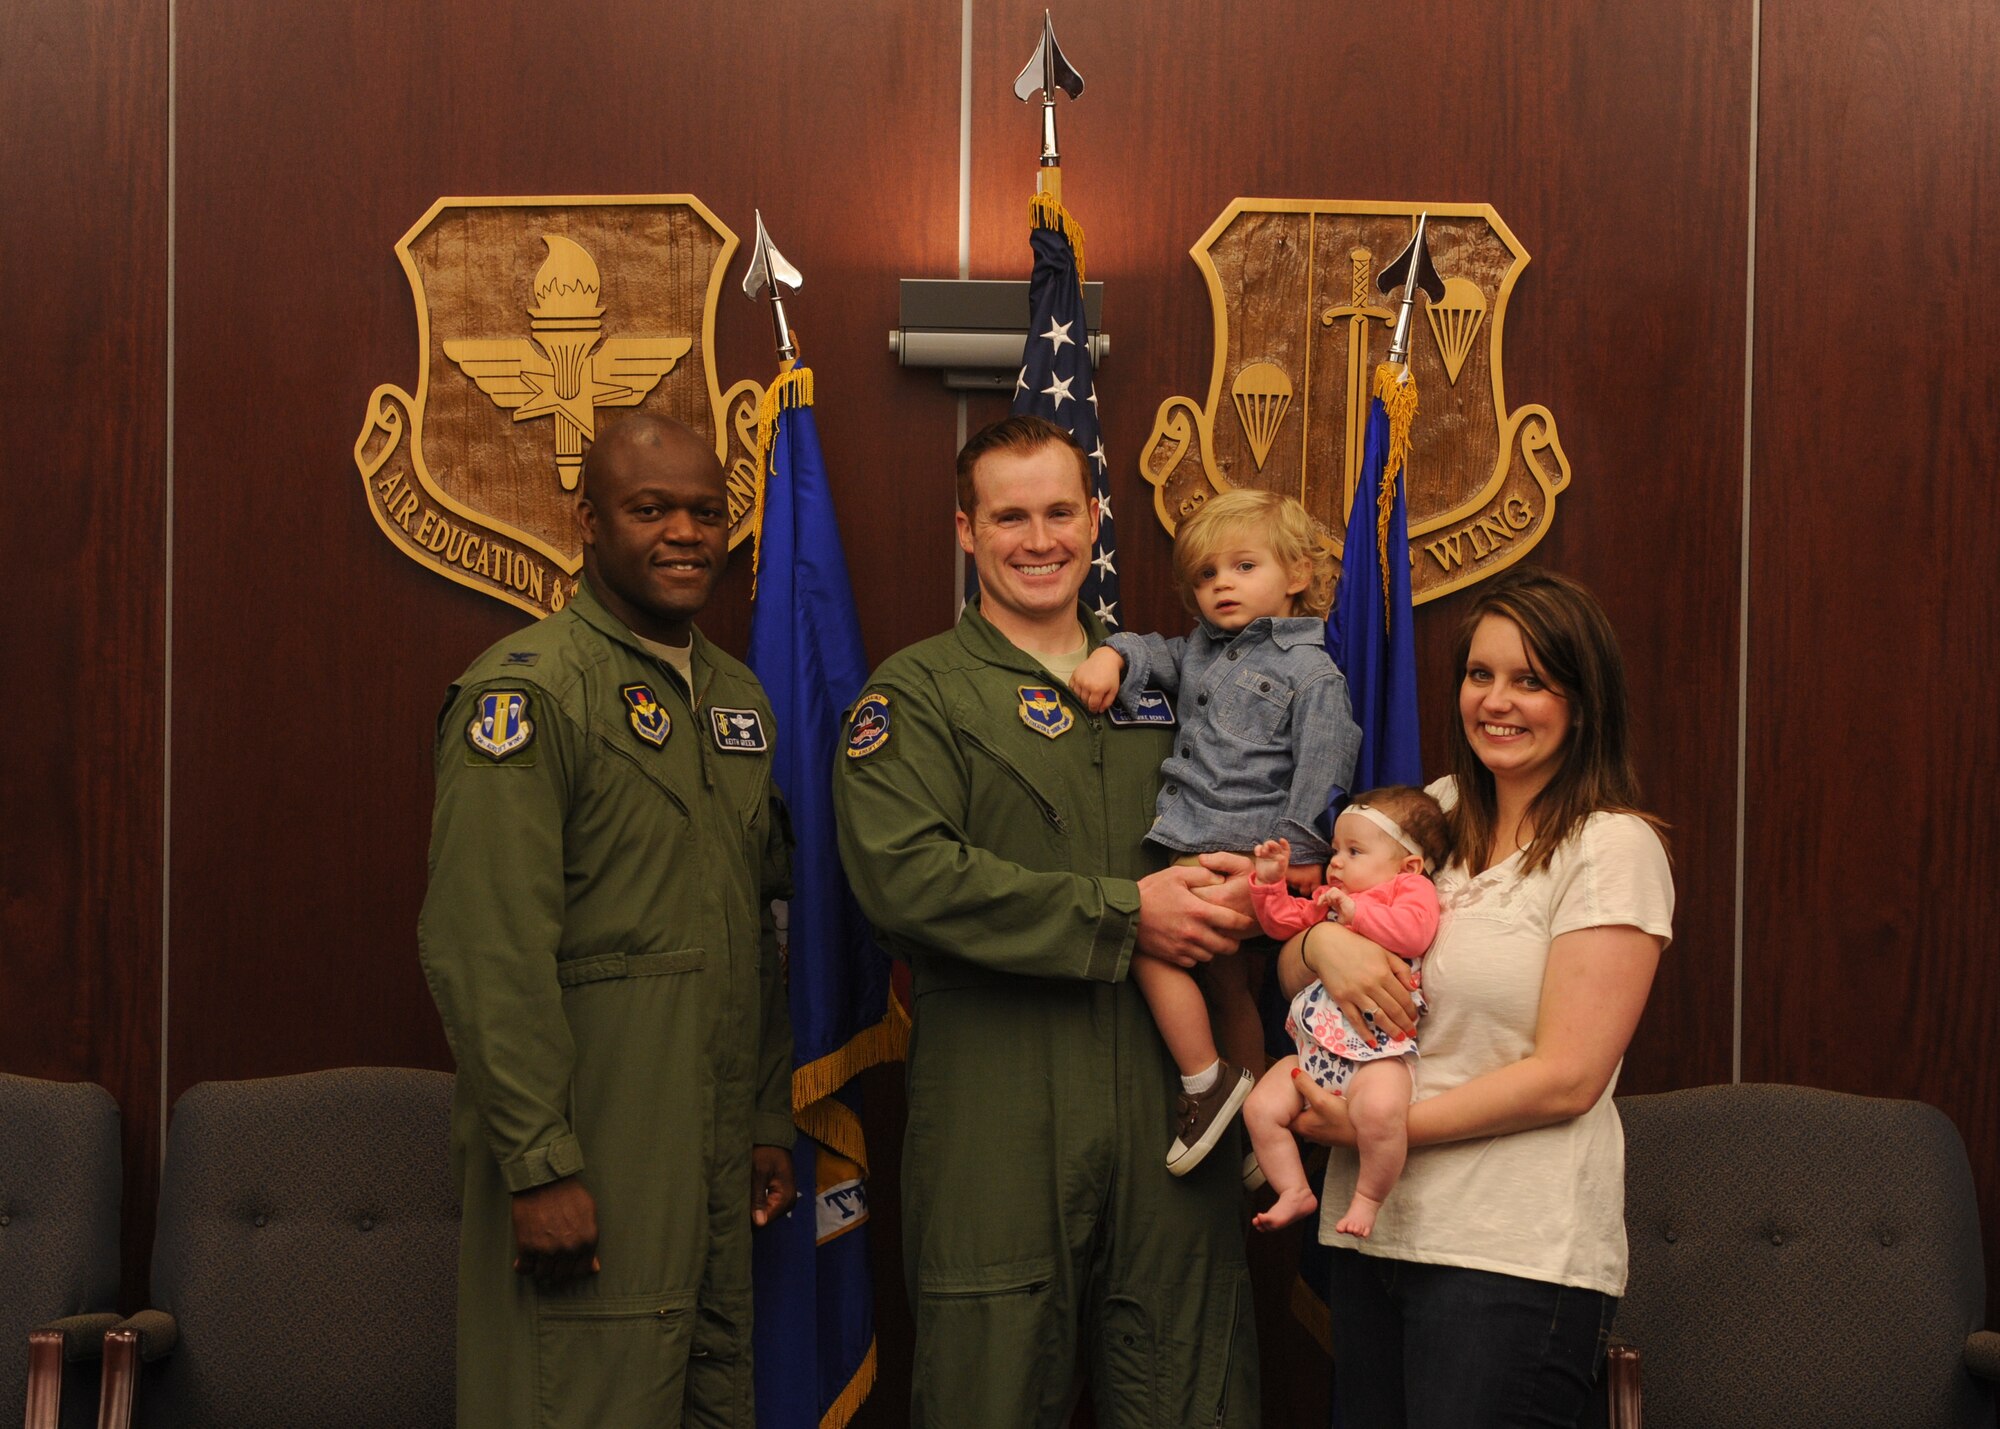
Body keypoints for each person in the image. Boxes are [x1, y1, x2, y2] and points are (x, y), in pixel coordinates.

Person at [832, 415, 1262, 1428]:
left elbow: (1260, 812)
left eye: (1060, 511)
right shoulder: (917, 692)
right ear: (965, 530)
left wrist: (1261, 887)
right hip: (998, 1114)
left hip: (1176, 1113)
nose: (1038, 538)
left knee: (1189, 1389)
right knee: (987, 1388)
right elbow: (902, 878)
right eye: (1009, 515)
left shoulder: (1174, 683)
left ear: (1095, 519)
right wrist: (1126, 914)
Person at [418, 413, 798, 1429]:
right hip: (596, 1160)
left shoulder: (736, 699)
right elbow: (483, 951)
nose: (685, 532)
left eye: (706, 511)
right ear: (587, 520)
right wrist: (539, 1164)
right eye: (651, 509)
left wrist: (764, 1119)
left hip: (712, 1168)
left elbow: (760, 939)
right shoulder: (529, 695)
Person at [1277, 567, 1673, 1428]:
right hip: (1374, 1234)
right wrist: (1321, 941)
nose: (1497, 701)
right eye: (1480, 674)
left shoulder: (1613, 847)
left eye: (1531, 679)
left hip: (1512, 1257)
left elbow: (1567, 1076)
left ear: (1582, 698)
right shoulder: (1432, 814)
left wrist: (1380, 1127)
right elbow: (1297, 975)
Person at [1067, 488, 1361, 1177]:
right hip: (1193, 844)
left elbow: (1323, 766)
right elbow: (1155, 653)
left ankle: (1207, 1081)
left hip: (1242, 857)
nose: (1221, 583)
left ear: (1296, 575)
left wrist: (1292, 864)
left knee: (1142, 934)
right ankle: (1266, 1131)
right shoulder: (1203, 648)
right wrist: (1112, 658)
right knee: (1229, 989)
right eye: (1205, 575)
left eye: (1243, 565)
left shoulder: (1311, 671)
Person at [1238, 786, 1446, 1235]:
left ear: (1408, 865)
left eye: (1354, 850)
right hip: (1314, 1054)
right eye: (1335, 849)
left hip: (1377, 1054)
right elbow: (1283, 925)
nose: (1335, 862)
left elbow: (1414, 933)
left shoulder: (1408, 889)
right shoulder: (1334, 898)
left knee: (1380, 1113)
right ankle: (1294, 1190)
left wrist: (1355, 915)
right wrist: (1270, 882)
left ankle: (1369, 1197)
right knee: (1259, 1107)